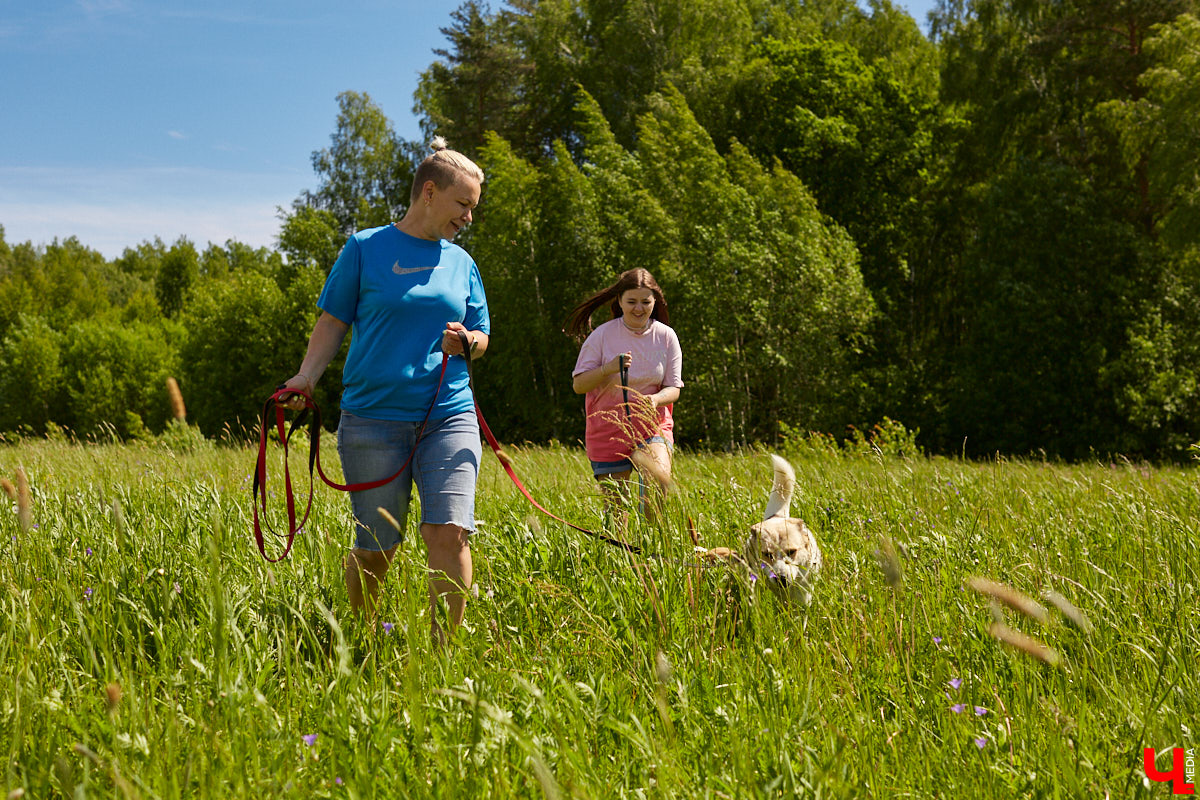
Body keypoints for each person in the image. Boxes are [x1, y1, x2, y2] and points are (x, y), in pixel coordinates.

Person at [279, 137, 489, 643]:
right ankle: (362, 635)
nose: (468, 217)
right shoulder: (365, 248)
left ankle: (445, 658)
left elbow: (482, 334)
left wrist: (469, 342)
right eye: (464, 204)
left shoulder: (462, 263)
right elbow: (332, 321)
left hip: (448, 414)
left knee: (449, 531)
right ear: (430, 193)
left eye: (473, 208)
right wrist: (307, 377)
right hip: (373, 419)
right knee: (377, 545)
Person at [565, 268, 683, 527]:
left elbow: (674, 388)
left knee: (658, 482)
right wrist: (608, 369)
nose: (639, 308)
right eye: (632, 302)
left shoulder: (666, 336)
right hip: (608, 428)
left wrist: (655, 400)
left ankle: (654, 551)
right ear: (619, 301)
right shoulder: (602, 336)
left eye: (646, 301)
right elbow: (579, 384)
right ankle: (624, 563)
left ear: (655, 301)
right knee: (618, 515)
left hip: (653, 425)